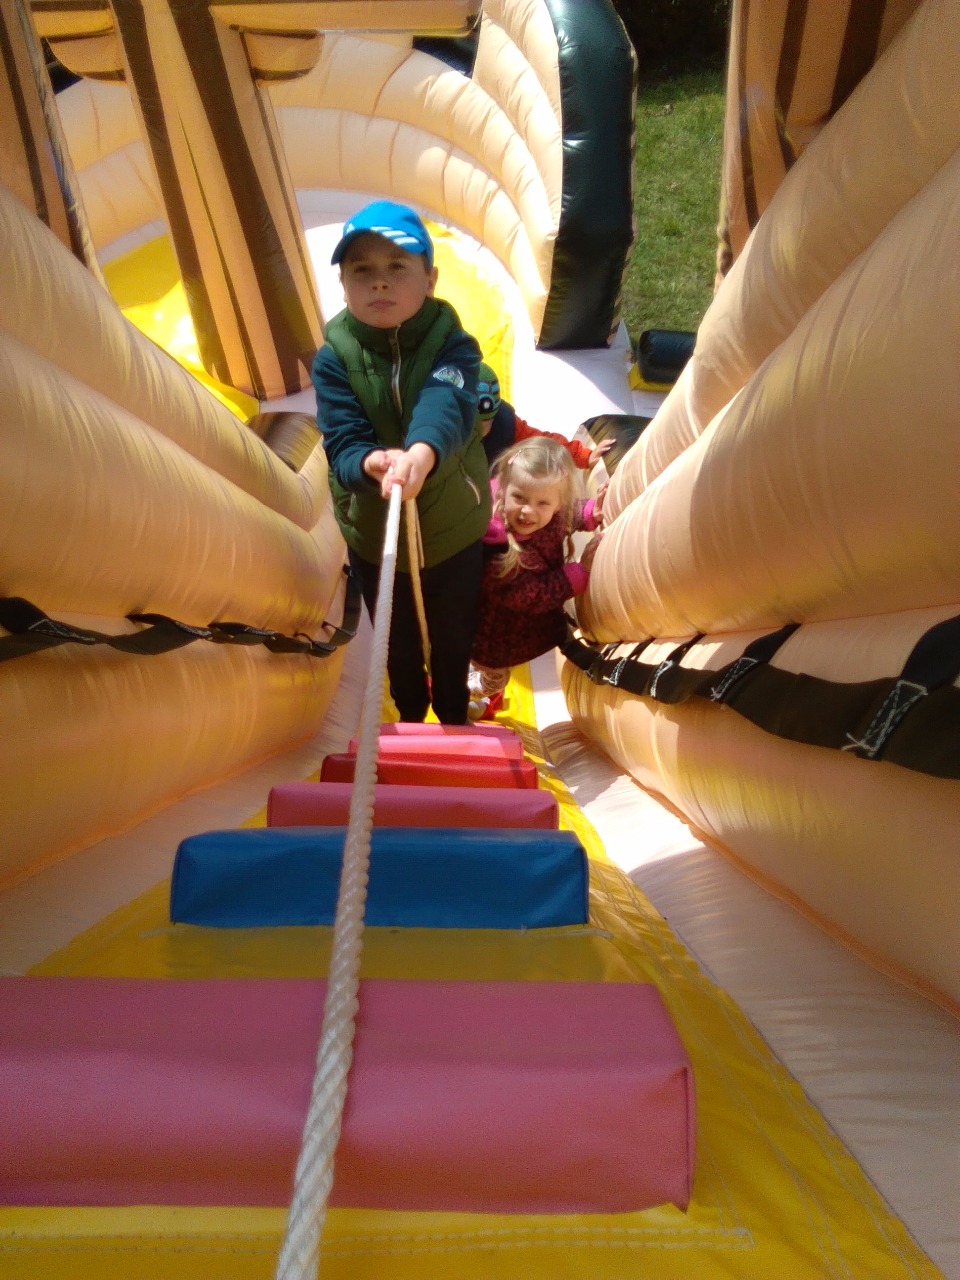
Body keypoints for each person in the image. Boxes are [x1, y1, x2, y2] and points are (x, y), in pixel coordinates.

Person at [312, 199, 491, 725]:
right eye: (361, 270)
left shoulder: (452, 344)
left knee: (453, 637)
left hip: (452, 528)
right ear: (343, 284)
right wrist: (370, 463)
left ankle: (453, 718)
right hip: (376, 535)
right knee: (397, 643)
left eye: (397, 266)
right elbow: (342, 440)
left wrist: (421, 454)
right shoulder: (334, 358)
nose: (380, 282)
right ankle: (411, 718)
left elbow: (445, 402)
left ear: (430, 279)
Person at [469, 436, 603, 719]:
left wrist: (591, 511)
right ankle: (461, 690)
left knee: (494, 674)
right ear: (504, 489)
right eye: (519, 498)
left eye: (542, 502)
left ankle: (464, 682)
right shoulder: (496, 545)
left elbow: (567, 513)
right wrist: (578, 573)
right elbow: (530, 594)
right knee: (495, 679)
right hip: (490, 636)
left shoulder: (554, 511)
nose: (528, 510)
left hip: (516, 629)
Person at [476, 362, 612, 470]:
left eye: (483, 426)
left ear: (494, 417)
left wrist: (584, 456)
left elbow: (544, 444)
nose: (474, 432)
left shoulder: (506, 426)